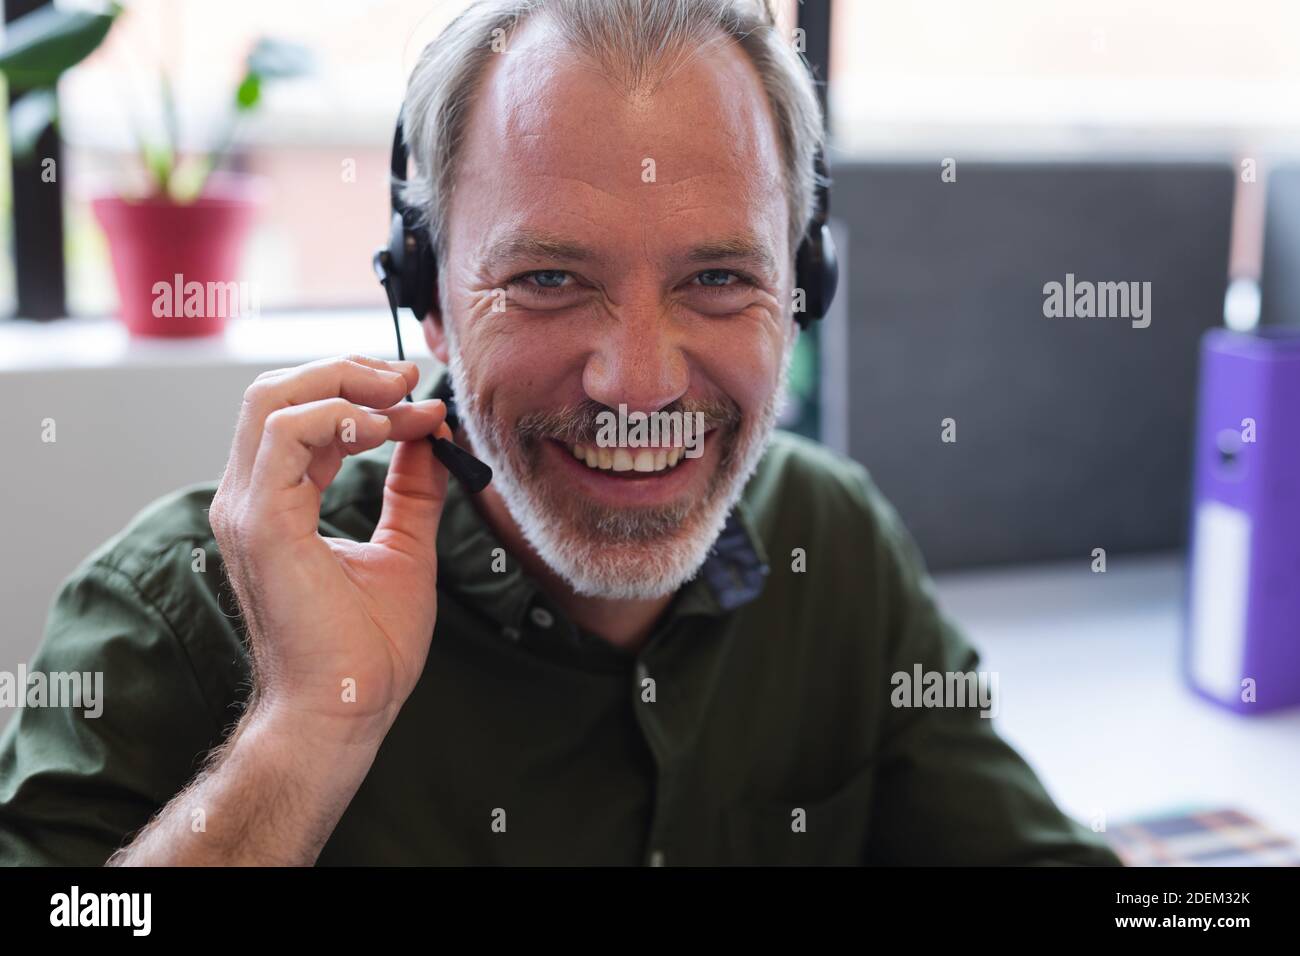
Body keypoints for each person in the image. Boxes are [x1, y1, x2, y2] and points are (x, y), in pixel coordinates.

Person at [0, 0, 1119, 866]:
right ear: (425, 294)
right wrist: (297, 740)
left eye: (720, 277)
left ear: (800, 288)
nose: (635, 377)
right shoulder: (173, 609)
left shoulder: (833, 540)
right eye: (546, 278)